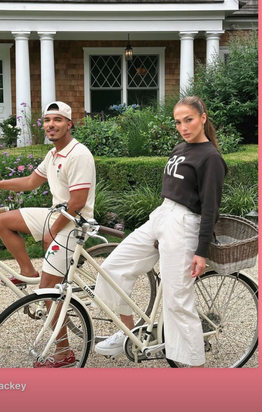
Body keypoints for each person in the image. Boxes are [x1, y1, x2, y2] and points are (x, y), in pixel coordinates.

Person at [94, 96, 228, 367]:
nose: (183, 127)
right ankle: (128, 333)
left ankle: (194, 368)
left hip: (185, 223)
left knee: (177, 301)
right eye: (178, 122)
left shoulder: (211, 158)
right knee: (111, 270)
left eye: (189, 120)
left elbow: (210, 209)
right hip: (162, 215)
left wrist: (201, 251)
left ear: (203, 118)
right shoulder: (180, 148)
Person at [0, 101, 96, 368]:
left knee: (47, 291)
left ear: (69, 124)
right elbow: (31, 182)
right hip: (56, 214)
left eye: (57, 120)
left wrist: (51, 233)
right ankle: (28, 271)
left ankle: (64, 352)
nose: (50, 125)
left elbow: (77, 202)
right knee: (4, 221)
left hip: (74, 224)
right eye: (46, 120)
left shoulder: (78, 155)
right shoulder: (53, 154)